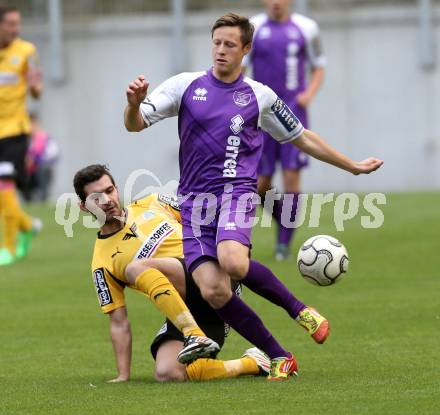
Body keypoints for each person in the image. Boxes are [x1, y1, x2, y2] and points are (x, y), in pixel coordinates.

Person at [124, 13, 383, 380]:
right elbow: (135, 125)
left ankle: (300, 310)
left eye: (230, 44)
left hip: (236, 195)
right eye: (216, 43)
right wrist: (134, 104)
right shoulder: (185, 86)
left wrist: (351, 165)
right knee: (213, 291)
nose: (220, 51)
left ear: (246, 49)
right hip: (195, 206)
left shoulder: (259, 97)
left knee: (233, 262)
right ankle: (280, 356)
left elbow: (302, 137)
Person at [73, 164, 270, 382]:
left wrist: (232, 250)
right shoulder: (101, 263)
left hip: (213, 275)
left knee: (136, 267)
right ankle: (252, 363)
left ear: (117, 189)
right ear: (84, 206)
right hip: (194, 309)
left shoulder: (154, 202)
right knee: (168, 373)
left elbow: (203, 218)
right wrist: (123, 375)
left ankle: (193, 335)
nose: (107, 200)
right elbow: (119, 322)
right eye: (96, 198)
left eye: (109, 191)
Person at [243, 0, 326, 260]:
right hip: (262, 114)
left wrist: (307, 95)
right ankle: (284, 220)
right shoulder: (253, 27)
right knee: (260, 183)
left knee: (291, 178)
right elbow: (241, 67)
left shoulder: (307, 27)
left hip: (293, 113)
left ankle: (283, 245)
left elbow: (319, 65)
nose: (275, 2)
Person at [0, 5, 42, 266]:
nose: (16, 29)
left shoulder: (26, 51)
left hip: (15, 131)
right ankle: (27, 224)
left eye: (18, 24)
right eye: (11, 24)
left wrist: (35, 85)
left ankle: (9, 247)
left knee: (4, 184)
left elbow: (37, 91)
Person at [24, 113, 60, 202]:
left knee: (43, 169)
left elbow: (54, 156)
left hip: (41, 171)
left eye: (32, 123)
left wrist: (35, 159)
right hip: (28, 172)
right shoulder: (24, 140)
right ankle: (28, 200)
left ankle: (44, 199)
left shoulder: (45, 138)